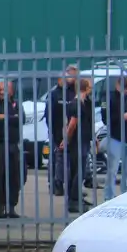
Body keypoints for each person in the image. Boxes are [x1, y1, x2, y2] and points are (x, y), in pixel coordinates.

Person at [44, 65, 79, 196]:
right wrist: (54, 133)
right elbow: (49, 116)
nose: (73, 78)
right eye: (71, 75)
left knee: (66, 161)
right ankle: (54, 185)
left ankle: (68, 186)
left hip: (70, 133)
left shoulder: (73, 92)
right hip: (56, 133)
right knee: (55, 160)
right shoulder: (54, 94)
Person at [61, 78, 94, 214]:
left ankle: (77, 198)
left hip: (84, 140)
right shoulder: (76, 104)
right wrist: (67, 140)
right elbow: (72, 124)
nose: (91, 88)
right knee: (77, 171)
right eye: (90, 86)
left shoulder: (85, 102)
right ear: (85, 88)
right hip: (77, 142)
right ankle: (73, 200)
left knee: (79, 170)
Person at [0, 79, 24, 218]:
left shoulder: (16, 104)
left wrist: (4, 117)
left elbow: (20, 119)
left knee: (14, 177)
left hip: (13, 145)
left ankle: (11, 208)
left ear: (11, 91)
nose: (0, 92)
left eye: (3, 89)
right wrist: (12, 117)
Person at [104, 75, 127, 200]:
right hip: (115, 138)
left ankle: (126, 194)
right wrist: (122, 117)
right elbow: (105, 118)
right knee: (112, 170)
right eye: (124, 88)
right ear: (117, 85)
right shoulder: (109, 98)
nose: (125, 91)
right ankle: (109, 196)